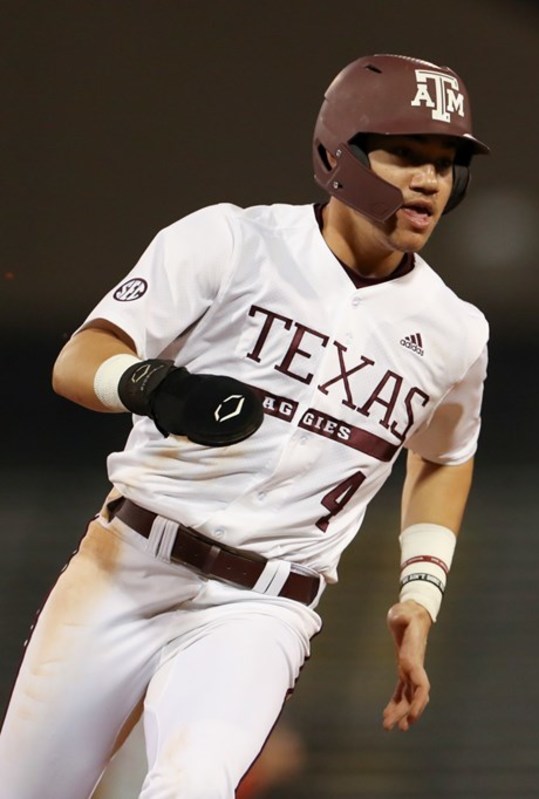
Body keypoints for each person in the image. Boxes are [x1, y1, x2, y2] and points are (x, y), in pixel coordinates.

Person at [0, 52, 490, 798]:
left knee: (191, 787)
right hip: (127, 565)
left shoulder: (455, 330)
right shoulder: (232, 241)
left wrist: (422, 590)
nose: (431, 178)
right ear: (341, 152)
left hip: (264, 606)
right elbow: (80, 358)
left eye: (447, 162)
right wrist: (153, 385)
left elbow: (445, 454)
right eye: (406, 154)